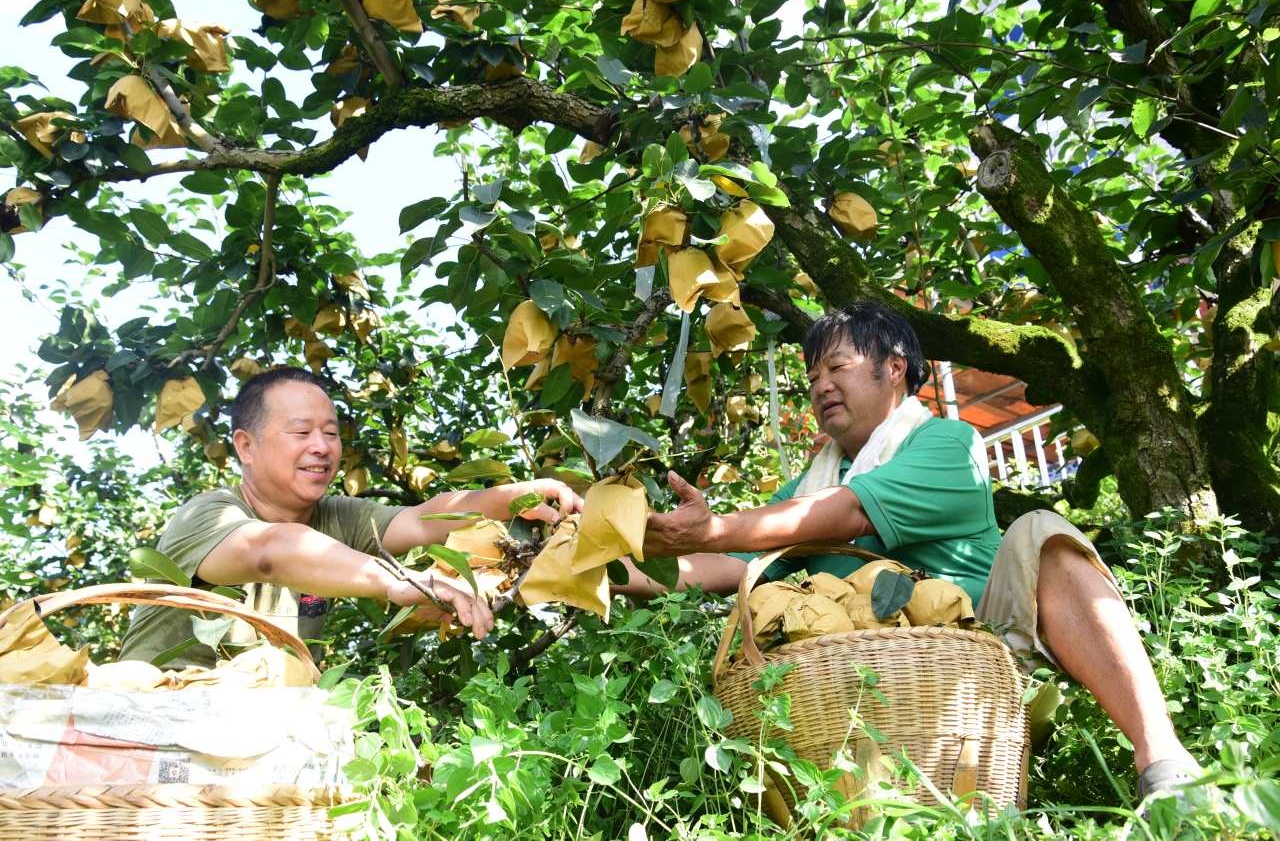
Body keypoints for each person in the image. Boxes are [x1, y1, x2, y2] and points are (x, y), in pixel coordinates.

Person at [614, 301, 1198, 800]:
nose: (819, 387)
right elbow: (725, 566)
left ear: (895, 369)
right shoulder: (806, 489)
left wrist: (716, 527)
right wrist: (605, 561)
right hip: (848, 676)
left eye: (836, 367)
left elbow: (848, 512)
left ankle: (1163, 763)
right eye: (812, 376)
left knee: (1044, 534)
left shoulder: (946, 442)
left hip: (979, 651)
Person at [120, 367, 582, 670]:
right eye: (301, 432)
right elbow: (267, 551)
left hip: (254, 739)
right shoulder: (208, 513)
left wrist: (519, 495)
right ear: (245, 446)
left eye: (331, 433)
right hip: (155, 725)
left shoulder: (339, 516)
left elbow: (425, 519)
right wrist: (395, 581)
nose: (321, 447)